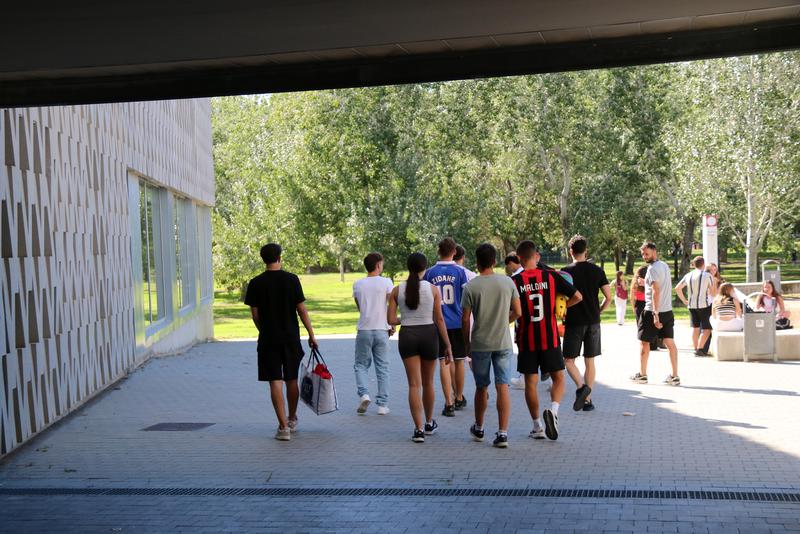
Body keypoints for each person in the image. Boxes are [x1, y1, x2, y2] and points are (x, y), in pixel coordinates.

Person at [244, 243, 318, 441]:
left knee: (274, 380)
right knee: (291, 378)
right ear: (279, 257)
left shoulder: (256, 283)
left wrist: (264, 330)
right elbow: (301, 310)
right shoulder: (291, 280)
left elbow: (255, 314)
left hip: (268, 339)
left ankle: (283, 428)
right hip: (290, 337)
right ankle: (292, 418)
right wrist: (311, 334)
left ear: (263, 259)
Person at [512, 240, 582, 441]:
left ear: (519, 259)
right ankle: (554, 410)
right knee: (558, 378)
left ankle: (537, 426)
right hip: (549, 337)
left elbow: (512, 310)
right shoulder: (551, 276)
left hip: (526, 339)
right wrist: (562, 307)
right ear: (537, 257)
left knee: (530, 383)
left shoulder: (514, 282)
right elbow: (578, 296)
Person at [387, 253, 453, 443]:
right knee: (428, 383)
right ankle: (429, 422)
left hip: (408, 335)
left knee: (414, 385)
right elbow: (439, 319)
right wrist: (447, 345)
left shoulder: (396, 290)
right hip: (429, 335)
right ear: (425, 268)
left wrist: (404, 319)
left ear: (408, 267)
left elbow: (390, 320)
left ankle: (417, 430)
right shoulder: (433, 289)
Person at [461, 243, 522, 448]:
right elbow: (518, 312)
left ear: (477, 263)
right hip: (503, 342)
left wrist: (466, 343)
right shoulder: (507, 283)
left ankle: (479, 428)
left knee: (481, 387)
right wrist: (504, 321)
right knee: (502, 385)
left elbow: (465, 319)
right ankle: (503, 433)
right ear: (495, 261)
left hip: (480, 343)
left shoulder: (471, 287)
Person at [562, 235, 610, 412]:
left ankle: (582, 387)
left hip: (574, 322)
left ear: (570, 251)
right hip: (593, 322)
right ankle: (588, 401)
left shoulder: (565, 272)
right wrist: (599, 312)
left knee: (568, 360)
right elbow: (609, 297)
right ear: (586, 250)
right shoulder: (597, 270)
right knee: (590, 361)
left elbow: (560, 299)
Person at [424, 238, 470, 417]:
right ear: (454, 252)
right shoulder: (460, 272)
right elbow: (466, 298)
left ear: (438, 252)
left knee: (443, 361)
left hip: (438, 323)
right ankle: (459, 396)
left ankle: (448, 403)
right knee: (459, 361)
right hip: (457, 322)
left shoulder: (429, 273)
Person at [630, 242, 680, 386]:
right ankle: (675, 376)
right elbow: (660, 286)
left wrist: (655, 314)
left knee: (644, 343)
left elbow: (656, 290)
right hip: (667, 311)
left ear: (654, 251)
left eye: (647, 253)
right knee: (670, 342)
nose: (644, 256)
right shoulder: (664, 265)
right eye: (643, 254)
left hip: (652, 311)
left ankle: (642, 375)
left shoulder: (651, 269)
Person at [352, 252, 395, 416]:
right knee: (383, 367)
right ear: (378, 265)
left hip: (364, 329)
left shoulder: (358, 284)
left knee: (360, 365)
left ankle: (364, 394)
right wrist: (391, 324)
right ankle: (383, 405)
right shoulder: (386, 282)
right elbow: (391, 304)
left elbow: (360, 307)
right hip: (381, 329)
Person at [675, 256, 715, 357]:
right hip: (704, 305)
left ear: (694, 264)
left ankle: (695, 348)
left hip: (691, 305)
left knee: (695, 327)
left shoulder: (688, 275)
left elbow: (677, 288)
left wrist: (684, 300)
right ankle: (701, 349)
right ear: (703, 264)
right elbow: (713, 291)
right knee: (707, 328)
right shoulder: (707, 275)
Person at [631, 266, 658, 352]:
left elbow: (632, 296)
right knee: (652, 322)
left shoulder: (636, 282)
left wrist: (633, 307)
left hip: (639, 304)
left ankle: (644, 342)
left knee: (641, 324)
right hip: (649, 303)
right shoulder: (648, 281)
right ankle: (653, 343)